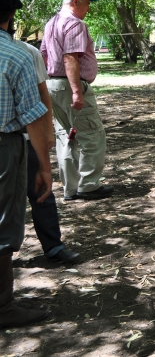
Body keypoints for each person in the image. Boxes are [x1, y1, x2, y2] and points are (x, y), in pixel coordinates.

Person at [0, 0, 53, 327]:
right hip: (4, 147)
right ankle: (3, 306)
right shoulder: (17, 56)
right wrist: (44, 166)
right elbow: (34, 117)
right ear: (10, 16)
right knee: (3, 222)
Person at [40, 0, 111, 201]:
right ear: (76, 1)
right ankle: (89, 186)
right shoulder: (74, 23)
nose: (88, 8)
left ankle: (70, 188)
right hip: (70, 86)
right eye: (87, 3)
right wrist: (77, 92)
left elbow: (43, 55)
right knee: (92, 135)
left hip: (53, 85)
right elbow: (70, 57)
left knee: (66, 136)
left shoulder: (51, 23)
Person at [14, 39, 80, 263]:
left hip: (26, 136)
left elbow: (43, 93)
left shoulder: (28, 52)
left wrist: (48, 130)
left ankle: (53, 246)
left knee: (41, 190)